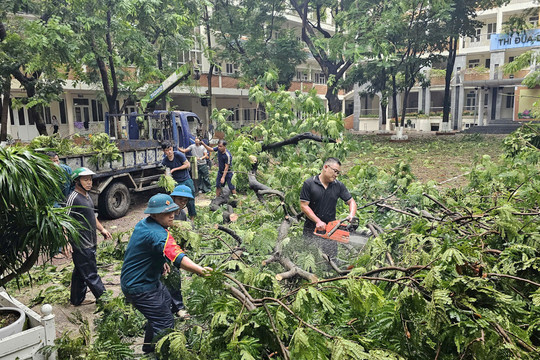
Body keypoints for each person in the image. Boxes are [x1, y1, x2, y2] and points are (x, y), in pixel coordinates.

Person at [120, 193, 212, 354]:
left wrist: (161, 261)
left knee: (166, 302)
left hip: (148, 280)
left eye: (173, 211)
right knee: (164, 321)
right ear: (154, 214)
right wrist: (199, 270)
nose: (172, 215)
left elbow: (148, 248)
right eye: (166, 212)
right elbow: (176, 255)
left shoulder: (145, 224)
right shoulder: (157, 233)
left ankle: (149, 349)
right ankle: (159, 354)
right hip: (139, 287)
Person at [66, 167, 112, 306]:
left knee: (80, 272)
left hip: (90, 241)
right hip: (81, 244)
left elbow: (91, 216)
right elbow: (63, 221)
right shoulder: (72, 198)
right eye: (85, 179)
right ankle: (106, 302)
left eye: (90, 179)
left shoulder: (87, 196)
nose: (89, 182)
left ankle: (76, 299)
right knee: (91, 274)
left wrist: (102, 229)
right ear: (76, 181)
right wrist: (65, 242)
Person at [299, 158, 357, 261]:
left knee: (331, 259)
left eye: (338, 173)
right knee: (309, 259)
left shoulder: (338, 185)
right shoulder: (309, 183)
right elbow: (304, 205)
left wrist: (351, 215)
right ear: (326, 167)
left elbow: (351, 202)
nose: (336, 175)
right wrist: (318, 221)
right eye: (335, 171)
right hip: (312, 228)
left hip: (331, 228)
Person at [165, 184, 195, 318]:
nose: (182, 203)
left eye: (185, 201)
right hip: (164, 251)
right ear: (173, 198)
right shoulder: (166, 213)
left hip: (175, 252)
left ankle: (177, 307)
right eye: (180, 200)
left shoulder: (182, 214)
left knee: (175, 279)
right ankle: (172, 307)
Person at [161, 143, 197, 219]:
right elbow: (166, 172)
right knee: (176, 201)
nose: (169, 152)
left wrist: (174, 169)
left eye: (170, 149)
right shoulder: (165, 161)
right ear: (164, 151)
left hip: (186, 180)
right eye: (167, 150)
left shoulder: (178, 155)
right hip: (176, 183)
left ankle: (192, 219)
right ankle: (177, 218)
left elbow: (187, 165)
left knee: (190, 200)